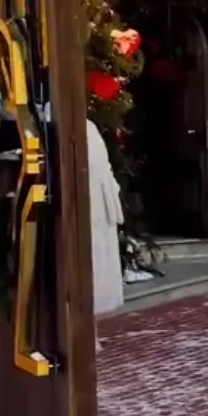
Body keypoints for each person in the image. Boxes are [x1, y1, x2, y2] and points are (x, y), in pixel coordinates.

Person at [87, 120, 124, 316]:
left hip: (100, 204)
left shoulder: (89, 128)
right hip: (89, 206)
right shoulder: (81, 127)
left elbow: (104, 167)